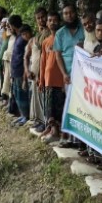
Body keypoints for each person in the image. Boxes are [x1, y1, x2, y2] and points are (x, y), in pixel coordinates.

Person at [53, 3, 85, 149]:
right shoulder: (60, 33)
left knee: (84, 107)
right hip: (69, 76)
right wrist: (64, 73)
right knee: (71, 106)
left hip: (85, 76)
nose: (68, 16)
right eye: (65, 13)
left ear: (76, 13)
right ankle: (72, 138)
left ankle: (83, 141)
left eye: (71, 12)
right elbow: (58, 55)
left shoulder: (83, 29)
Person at [39, 11, 64, 144]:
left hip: (60, 79)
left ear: (59, 22)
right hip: (48, 79)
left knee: (59, 106)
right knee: (49, 106)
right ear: (47, 23)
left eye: (55, 20)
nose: (52, 22)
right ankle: (50, 128)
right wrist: (41, 80)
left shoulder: (64, 38)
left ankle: (57, 132)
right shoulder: (45, 42)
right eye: (50, 20)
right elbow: (43, 62)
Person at [26, 8, 49, 129]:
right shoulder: (38, 34)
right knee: (38, 98)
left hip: (46, 71)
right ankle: (40, 120)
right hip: (36, 71)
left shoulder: (50, 33)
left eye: (43, 17)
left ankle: (46, 123)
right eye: (38, 18)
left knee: (45, 98)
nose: (41, 20)